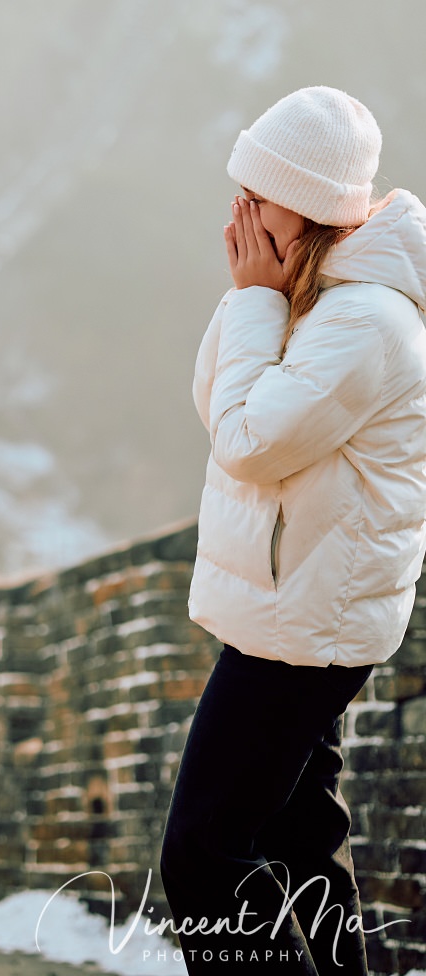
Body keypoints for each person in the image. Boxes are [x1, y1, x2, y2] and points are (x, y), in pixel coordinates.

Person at [159, 87, 426, 975]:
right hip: (296, 609)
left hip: (306, 625)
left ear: (305, 209)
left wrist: (254, 301)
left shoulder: (368, 320)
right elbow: (217, 401)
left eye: (256, 195)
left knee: (203, 858)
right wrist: (254, 298)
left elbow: (245, 441)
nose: (237, 212)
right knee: (299, 844)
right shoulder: (312, 297)